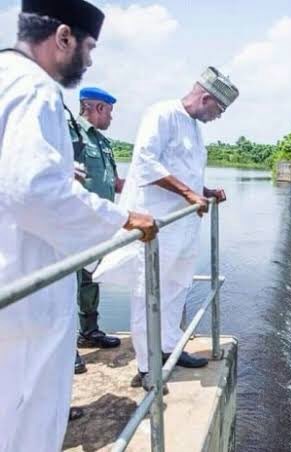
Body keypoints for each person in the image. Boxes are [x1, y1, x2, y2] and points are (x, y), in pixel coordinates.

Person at [0, 1, 157, 451]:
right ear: (63, 36)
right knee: (27, 419)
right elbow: (33, 189)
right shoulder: (36, 89)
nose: (88, 59)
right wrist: (121, 217)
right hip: (24, 290)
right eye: (88, 47)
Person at [95, 67, 238, 390]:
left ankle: (170, 347)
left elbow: (184, 171)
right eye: (219, 110)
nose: (218, 117)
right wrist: (189, 193)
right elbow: (146, 162)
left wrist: (204, 190)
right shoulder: (161, 114)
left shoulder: (194, 127)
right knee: (149, 294)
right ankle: (147, 366)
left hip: (185, 225)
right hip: (157, 225)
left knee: (177, 287)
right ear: (206, 98)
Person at [67, 87, 124, 377]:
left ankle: (89, 332)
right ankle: (67, 350)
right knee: (65, 285)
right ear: (97, 108)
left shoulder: (102, 142)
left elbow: (111, 181)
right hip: (71, 224)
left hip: (97, 227)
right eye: (110, 111)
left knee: (90, 280)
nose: (112, 117)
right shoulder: (70, 133)